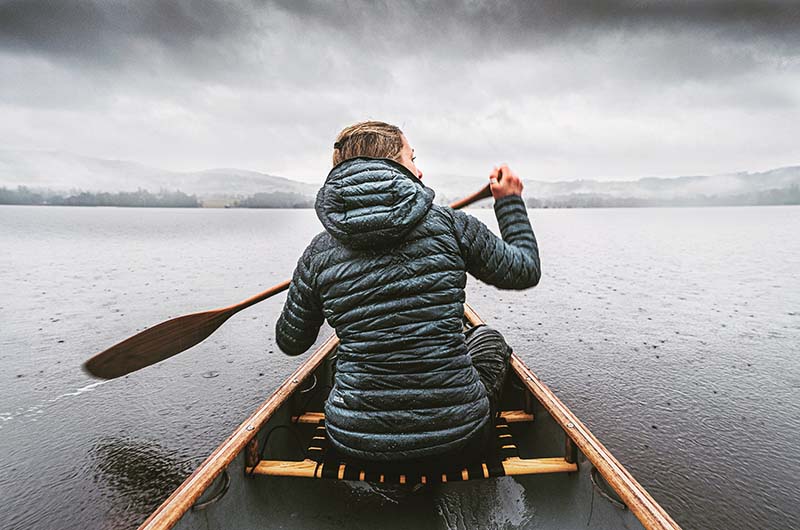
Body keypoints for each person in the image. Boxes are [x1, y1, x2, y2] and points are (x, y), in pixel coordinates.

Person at [275, 121, 540, 468]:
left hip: (353, 446)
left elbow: (291, 342)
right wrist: (509, 203)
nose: (419, 169)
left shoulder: (319, 252)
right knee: (488, 338)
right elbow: (525, 269)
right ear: (395, 167)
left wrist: (308, 284)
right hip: (459, 440)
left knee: (339, 358)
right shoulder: (449, 225)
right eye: (412, 158)